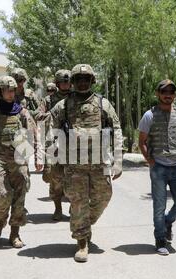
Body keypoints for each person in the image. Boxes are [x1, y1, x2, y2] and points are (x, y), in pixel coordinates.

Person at [51, 64, 123, 263]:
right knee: (79, 202)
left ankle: (82, 221)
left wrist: (118, 161)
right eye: (78, 79)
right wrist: (53, 160)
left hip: (100, 163)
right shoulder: (63, 106)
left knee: (104, 197)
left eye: (86, 79)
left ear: (92, 81)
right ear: (73, 82)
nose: (82, 82)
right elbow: (51, 132)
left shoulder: (103, 104)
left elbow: (116, 129)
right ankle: (82, 241)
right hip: (74, 166)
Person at [0, 75, 43, 248]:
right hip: (0, 159)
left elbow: (34, 134)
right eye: (8, 91)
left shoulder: (22, 112)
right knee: (0, 195)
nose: (11, 94)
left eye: (13, 90)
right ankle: (0, 220)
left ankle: (15, 233)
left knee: (19, 198)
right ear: (0, 92)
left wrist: (38, 157)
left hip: (19, 159)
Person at [138, 79, 176, 256]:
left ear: (174, 95)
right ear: (158, 93)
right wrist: (150, 161)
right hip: (159, 167)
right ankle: (160, 238)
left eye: (171, 92)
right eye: (164, 92)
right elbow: (142, 141)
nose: (167, 95)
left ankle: (167, 222)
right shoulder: (149, 115)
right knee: (159, 205)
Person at [41, 69, 72, 221]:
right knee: (56, 179)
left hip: (75, 143)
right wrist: (48, 115)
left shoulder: (76, 98)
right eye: (63, 82)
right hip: (55, 141)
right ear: (58, 83)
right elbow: (38, 114)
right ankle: (58, 208)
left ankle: (74, 206)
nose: (66, 84)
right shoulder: (49, 100)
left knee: (75, 178)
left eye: (68, 81)